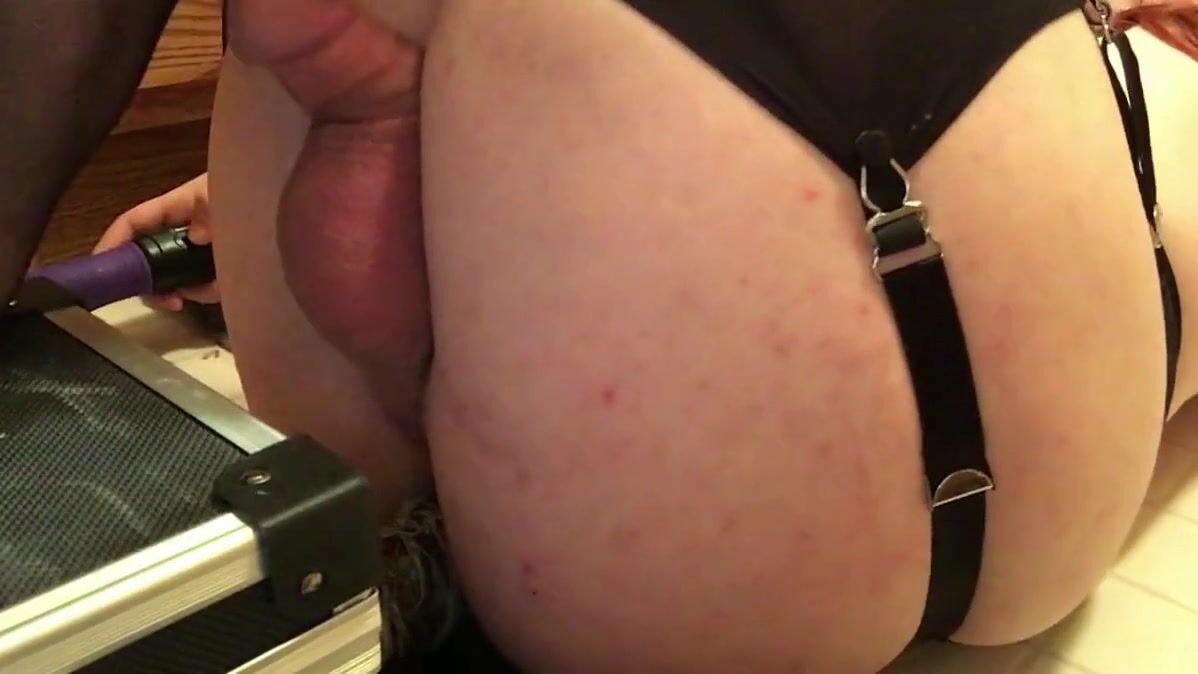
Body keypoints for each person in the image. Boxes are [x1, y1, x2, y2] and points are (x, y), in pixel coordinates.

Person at [10, 0, 1198, 672]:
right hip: (1071, 490)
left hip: (674, 581)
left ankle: (405, 223)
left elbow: (58, 32)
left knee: (300, 36)